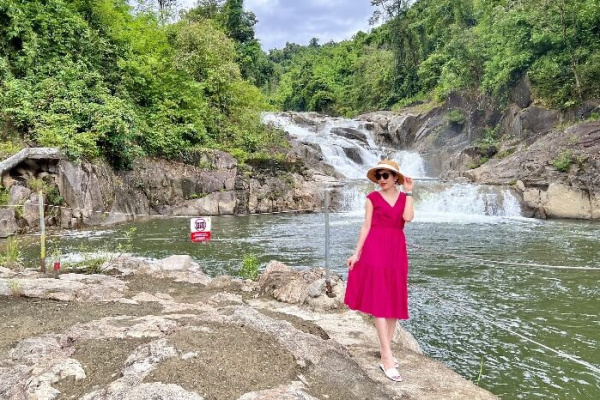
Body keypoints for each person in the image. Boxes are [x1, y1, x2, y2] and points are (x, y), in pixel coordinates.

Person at [344, 159, 414, 382]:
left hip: (396, 250)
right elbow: (365, 226)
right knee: (381, 302)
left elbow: (408, 218)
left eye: (386, 176)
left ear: (396, 178)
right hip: (375, 248)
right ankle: (386, 356)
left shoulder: (404, 198)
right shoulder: (371, 198)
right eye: (379, 176)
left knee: (393, 301)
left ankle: (387, 352)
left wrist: (410, 192)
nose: (381, 180)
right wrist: (357, 253)